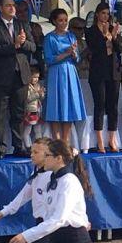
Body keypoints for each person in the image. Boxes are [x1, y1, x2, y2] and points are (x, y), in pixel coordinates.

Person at [0, 0, 35, 159]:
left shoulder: (22, 24)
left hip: (21, 75)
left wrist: (22, 43)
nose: (12, 8)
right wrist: (14, 45)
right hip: (0, 77)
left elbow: (33, 46)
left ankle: (18, 145)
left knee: (19, 113)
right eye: (8, 5)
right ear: (0, 8)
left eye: (13, 5)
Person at [43, 8, 87, 146]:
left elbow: (77, 58)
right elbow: (49, 59)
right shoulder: (49, 37)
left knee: (68, 104)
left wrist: (74, 54)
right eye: (60, 20)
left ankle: (65, 140)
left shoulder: (71, 36)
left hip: (70, 71)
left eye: (65, 20)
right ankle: (56, 140)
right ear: (54, 21)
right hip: (56, 72)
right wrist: (67, 53)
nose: (63, 23)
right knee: (55, 105)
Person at [85, 2, 122, 153]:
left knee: (113, 106)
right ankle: (100, 140)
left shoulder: (114, 30)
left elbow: (119, 49)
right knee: (100, 105)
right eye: (103, 13)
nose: (105, 16)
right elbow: (97, 49)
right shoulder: (90, 31)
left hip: (113, 72)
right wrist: (104, 35)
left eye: (107, 13)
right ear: (97, 14)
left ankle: (112, 138)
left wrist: (112, 36)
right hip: (98, 72)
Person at [16, 0, 44, 76]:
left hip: (37, 66)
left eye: (25, 10)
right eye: (19, 11)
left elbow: (41, 45)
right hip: (21, 65)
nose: (23, 13)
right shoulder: (13, 27)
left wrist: (38, 38)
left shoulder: (35, 25)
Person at [22, 68, 44, 150]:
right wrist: (37, 94)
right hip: (30, 111)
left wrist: (41, 94)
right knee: (27, 131)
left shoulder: (38, 85)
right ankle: (28, 146)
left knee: (38, 130)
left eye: (37, 77)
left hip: (37, 111)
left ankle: (40, 146)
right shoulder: (27, 87)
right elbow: (27, 98)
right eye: (34, 77)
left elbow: (40, 99)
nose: (36, 79)